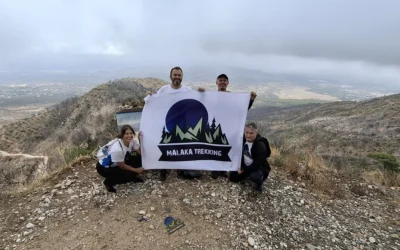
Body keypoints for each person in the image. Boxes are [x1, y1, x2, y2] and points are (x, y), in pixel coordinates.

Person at [144, 66, 204, 181]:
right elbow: (154, 102)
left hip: (182, 124)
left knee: (180, 147)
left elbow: (197, 101)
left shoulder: (187, 90)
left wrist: (202, 93)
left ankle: (180, 169)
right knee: (165, 145)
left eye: (179, 75)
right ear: (170, 76)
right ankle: (163, 170)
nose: (177, 77)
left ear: (182, 77)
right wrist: (149, 96)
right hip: (166, 122)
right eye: (175, 75)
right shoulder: (163, 90)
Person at [210, 73, 258, 179]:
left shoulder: (232, 97)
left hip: (228, 127)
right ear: (216, 82)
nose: (222, 82)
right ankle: (214, 169)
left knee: (225, 147)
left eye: (224, 80)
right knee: (214, 147)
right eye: (220, 80)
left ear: (227, 83)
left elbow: (242, 109)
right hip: (215, 126)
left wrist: (251, 100)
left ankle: (222, 170)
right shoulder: (211, 96)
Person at [96, 125, 145, 193]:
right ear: (122, 135)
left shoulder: (132, 141)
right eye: (126, 134)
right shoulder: (117, 149)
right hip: (104, 168)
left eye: (131, 133)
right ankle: (108, 182)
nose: (129, 136)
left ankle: (132, 177)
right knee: (126, 174)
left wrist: (140, 140)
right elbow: (122, 166)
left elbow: (140, 153)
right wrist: (136, 170)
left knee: (138, 158)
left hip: (119, 161)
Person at [228, 122, 271, 192]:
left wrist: (243, 170)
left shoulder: (260, 146)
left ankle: (260, 182)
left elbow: (256, 165)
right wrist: (240, 166)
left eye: (251, 133)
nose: (248, 135)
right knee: (233, 178)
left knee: (254, 176)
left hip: (257, 168)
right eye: (247, 132)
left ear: (256, 133)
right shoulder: (243, 140)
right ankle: (246, 175)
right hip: (245, 165)